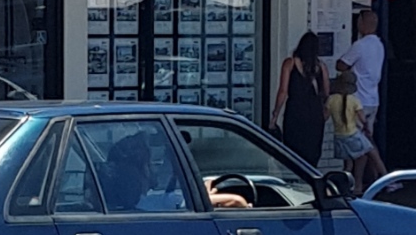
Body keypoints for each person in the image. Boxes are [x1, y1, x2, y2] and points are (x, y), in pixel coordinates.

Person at [100, 133, 250, 210]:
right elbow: (236, 201)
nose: (155, 167)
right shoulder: (167, 202)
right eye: (151, 163)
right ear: (143, 170)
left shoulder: (115, 205)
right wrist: (203, 196)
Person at [336, 9, 394, 187]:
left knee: (363, 145)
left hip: (358, 101)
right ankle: (362, 183)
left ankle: (385, 179)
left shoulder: (359, 45)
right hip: (373, 100)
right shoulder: (379, 45)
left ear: (362, 24)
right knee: (365, 142)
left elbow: (341, 65)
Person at [270, 31, 329, 165]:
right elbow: (326, 92)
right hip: (315, 114)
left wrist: (275, 114)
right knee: (312, 151)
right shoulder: (321, 67)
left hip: (295, 111)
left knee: (293, 152)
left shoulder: (289, 64)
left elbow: (283, 91)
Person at [325, 69, 385, 196]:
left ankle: (346, 187)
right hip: (352, 135)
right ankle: (387, 180)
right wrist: (367, 128)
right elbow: (363, 119)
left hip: (339, 137)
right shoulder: (354, 100)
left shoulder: (331, 99)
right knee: (372, 153)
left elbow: (324, 117)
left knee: (349, 164)